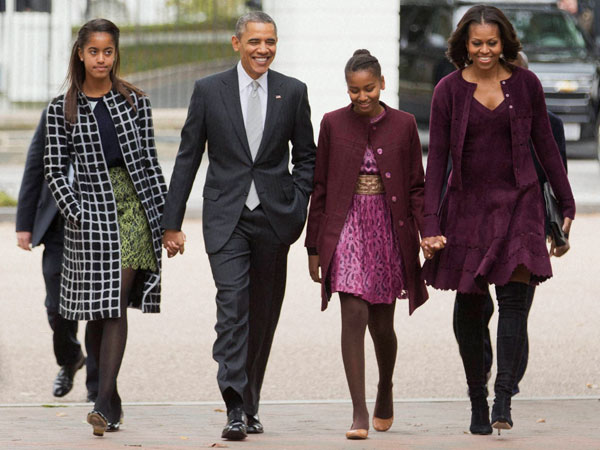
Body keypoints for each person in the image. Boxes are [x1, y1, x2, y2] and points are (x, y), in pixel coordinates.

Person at [420, 5, 575, 436]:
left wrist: (566, 206)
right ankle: (476, 398)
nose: (485, 50)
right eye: (476, 43)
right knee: (469, 306)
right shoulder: (447, 91)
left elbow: (546, 146)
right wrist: (429, 224)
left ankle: (503, 397)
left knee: (513, 302)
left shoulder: (527, 85)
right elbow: (437, 164)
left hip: (520, 203)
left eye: (492, 42)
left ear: (504, 42)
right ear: (463, 45)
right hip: (467, 208)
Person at [161, 12, 316, 441]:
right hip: (226, 217)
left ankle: (251, 402)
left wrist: (297, 205)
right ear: (236, 43)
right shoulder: (209, 91)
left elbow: (307, 156)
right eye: (254, 42)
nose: (262, 49)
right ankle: (233, 404)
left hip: (274, 218)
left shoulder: (293, 91)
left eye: (270, 41)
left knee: (262, 315)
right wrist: (171, 222)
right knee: (233, 309)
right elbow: (189, 157)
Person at [44, 18, 167, 436]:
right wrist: (76, 211)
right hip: (88, 216)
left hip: (133, 209)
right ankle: (110, 400)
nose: (101, 58)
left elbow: (150, 162)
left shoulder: (135, 102)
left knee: (113, 301)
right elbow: (55, 172)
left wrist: (167, 221)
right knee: (97, 309)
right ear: (80, 53)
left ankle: (100, 400)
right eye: (94, 51)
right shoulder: (61, 109)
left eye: (108, 51)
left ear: (116, 55)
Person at [305, 50, 428, 440]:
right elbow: (320, 187)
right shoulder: (332, 124)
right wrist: (314, 247)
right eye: (354, 90)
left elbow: (416, 187)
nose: (362, 97)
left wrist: (427, 233)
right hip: (345, 227)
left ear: (382, 84)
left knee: (382, 324)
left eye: (369, 89)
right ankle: (358, 412)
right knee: (353, 314)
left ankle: (384, 387)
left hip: (389, 227)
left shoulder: (405, 124)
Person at [451, 51, 569, 399]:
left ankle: (508, 380)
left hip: (524, 223)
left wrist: (560, 222)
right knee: (471, 305)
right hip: (475, 221)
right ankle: (484, 363)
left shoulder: (550, 123)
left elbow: (556, 175)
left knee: (516, 305)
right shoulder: (470, 115)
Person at [16, 108, 98, 402]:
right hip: (58, 223)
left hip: (99, 222)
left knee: (99, 307)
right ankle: (71, 357)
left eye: (106, 55)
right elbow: (34, 167)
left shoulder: (116, 106)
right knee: (56, 305)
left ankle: (98, 387)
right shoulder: (56, 111)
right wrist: (24, 224)